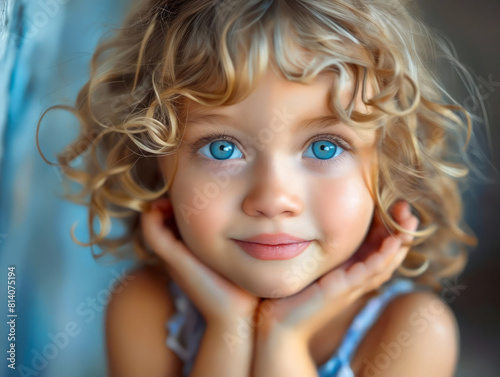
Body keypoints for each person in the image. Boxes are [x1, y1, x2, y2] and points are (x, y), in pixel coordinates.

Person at [35, 0, 485, 376]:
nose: (272, 199)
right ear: (156, 163)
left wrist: (283, 338)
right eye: (223, 149)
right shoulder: (145, 307)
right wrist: (228, 326)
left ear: (389, 166)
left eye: (326, 148)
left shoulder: (410, 330)